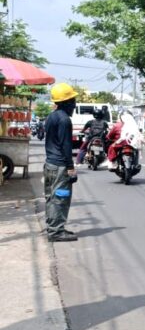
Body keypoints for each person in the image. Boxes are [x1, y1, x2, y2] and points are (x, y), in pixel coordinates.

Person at [43, 83, 79, 242]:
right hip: (60, 166)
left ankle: (54, 227)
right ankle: (56, 232)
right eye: (72, 100)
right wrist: (70, 167)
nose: (74, 104)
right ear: (65, 102)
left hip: (50, 163)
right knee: (60, 197)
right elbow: (65, 145)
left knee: (51, 197)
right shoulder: (65, 120)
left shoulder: (52, 116)